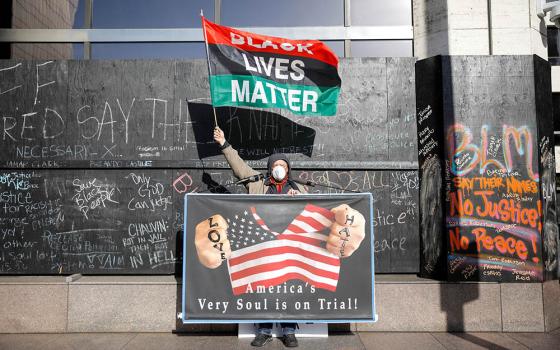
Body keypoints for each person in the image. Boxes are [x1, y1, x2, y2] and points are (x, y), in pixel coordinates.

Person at [213, 126, 301, 347]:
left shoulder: (297, 187)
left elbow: (311, 210)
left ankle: (289, 330)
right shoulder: (258, 182)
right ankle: (264, 329)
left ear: (288, 169)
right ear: (270, 168)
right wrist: (224, 143)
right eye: (275, 165)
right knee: (264, 289)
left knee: (288, 291)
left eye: (283, 165)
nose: (279, 168)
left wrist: (299, 198)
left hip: (289, 251)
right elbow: (239, 167)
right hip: (263, 248)